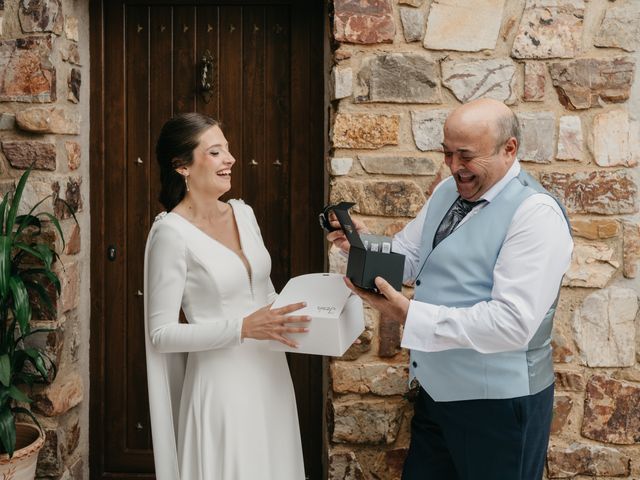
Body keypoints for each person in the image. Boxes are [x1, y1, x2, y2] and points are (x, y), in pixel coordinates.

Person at [328, 98, 573, 480]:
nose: (455, 167)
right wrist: (362, 243)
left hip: (500, 408)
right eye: (447, 153)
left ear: (509, 149)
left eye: (466, 156)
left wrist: (408, 314)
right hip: (436, 397)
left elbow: (512, 323)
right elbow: (410, 255)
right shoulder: (447, 191)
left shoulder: (535, 214)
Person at [143, 112, 308, 480]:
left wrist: (313, 307)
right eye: (216, 152)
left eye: (228, 150)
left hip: (270, 375)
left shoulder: (244, 213)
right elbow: (162, 334)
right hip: (221, 386)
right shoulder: (171, 234)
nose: (230, 159)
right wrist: (243, 328)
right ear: (182, 166)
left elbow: (264, 292)